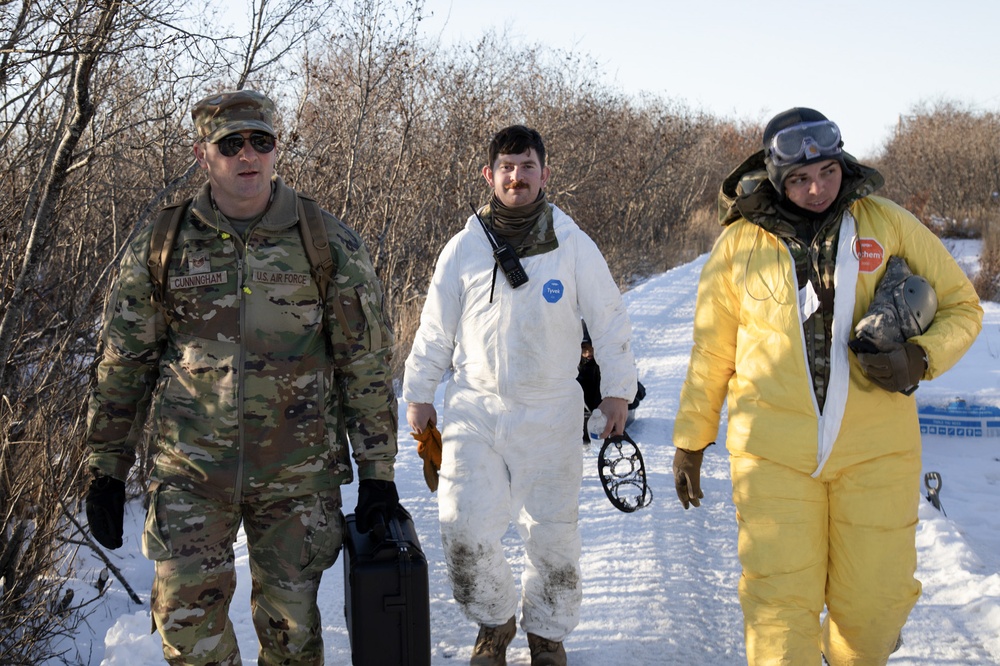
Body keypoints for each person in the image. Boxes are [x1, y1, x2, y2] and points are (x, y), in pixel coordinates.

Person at [83, 89, 399, 665]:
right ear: (204, 154)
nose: (248, 155)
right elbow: (124, 363)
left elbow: (365, 362)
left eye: (262, 141)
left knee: (293, 637)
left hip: (296, 476)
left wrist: (378, 473)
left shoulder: (325, 241)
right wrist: (106, 468)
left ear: (277, 150)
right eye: (231, 144)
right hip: (191, 472)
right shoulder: (164, 244)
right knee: (188, 633)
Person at [671, 107, 983, 665]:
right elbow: (711, 352)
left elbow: (963, 306)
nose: (816, 189)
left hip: (877, 453)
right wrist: (691, 438)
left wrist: (920, 357)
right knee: (777, 610)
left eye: (827, 173)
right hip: (771, 455)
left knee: (873, 611)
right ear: (774, 177)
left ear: (842, 164)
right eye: (798, 179)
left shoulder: (886, 222)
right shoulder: (738, 246)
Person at [403, 125, 636, 666]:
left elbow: (608, 318)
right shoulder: (463, 248)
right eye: (507, 166)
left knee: (553, 536)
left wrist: (618, 392)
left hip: (551, 411)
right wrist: (418, 392)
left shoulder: (573, 245)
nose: (517, 176)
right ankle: (495, 622)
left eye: (527, 166)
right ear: (490, 175)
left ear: (543, 174)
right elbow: (435, 328)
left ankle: (547, 635)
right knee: (462, 524)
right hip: (474, 409)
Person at [577, 321, 645, 441]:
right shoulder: (574, 370)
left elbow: (636, 391)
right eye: (584, 349)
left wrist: (624, 397)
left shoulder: (607, 368)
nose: (588, 353)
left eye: (592, 348)